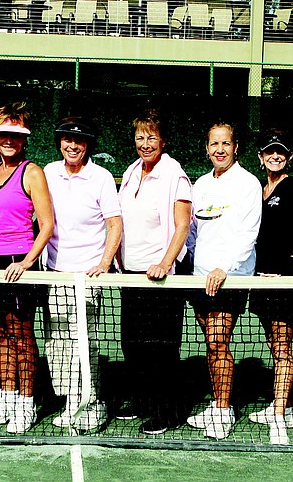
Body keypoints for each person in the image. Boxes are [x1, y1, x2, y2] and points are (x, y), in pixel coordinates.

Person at [0, 102, 54, 434]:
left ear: (24, 139)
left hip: (18, 262)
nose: (8, 140)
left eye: (15, 135)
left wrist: (26, 261)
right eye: (2, 134)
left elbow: (46, 225)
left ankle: (26, 402)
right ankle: (6, 398)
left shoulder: (32, 172)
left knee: (21, 334)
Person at [43, 117, 122, 433]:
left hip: (87, 276)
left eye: (79, 141)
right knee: (59, 342)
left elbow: (114, 224)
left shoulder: (101, 177)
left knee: (84, 342)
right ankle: (71, 401)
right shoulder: (49, 172)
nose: (72, 146)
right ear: (60, 143)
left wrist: (104, 263)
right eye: (67, 140)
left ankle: (91, 401)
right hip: (55, 274)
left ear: (88, 145)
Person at [117, 109, 192, 435]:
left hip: (162, 278)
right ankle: (143, 401)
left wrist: (164, 263)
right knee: (133, 344)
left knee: (161, 348)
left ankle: (167, 411)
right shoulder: (131, 171)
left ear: (163, 141)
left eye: (151, 137)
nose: (145, 143)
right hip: (130, 274)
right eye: (140, 137)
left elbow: (182, 225)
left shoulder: (175, 175)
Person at [184, 122, 262, 439]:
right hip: (200, 276)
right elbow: (192, 231)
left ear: (235, 147)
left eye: (225, 143)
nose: (220, 150)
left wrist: (225, 268)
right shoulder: (200, 184)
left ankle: (223, 410)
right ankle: (218, 403)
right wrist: (194, 264)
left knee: (218, 342)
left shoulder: (248, 184)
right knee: (211, 344)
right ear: (207, 148)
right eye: (214, 144)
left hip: (231, 278)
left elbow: (249, 234)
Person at [245, 129, 293, 445]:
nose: (275, 156)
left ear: (289, 157)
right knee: (275, 345)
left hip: (283, 282)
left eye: (281, 152)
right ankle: (284, 403)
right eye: (270, 152)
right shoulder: (257, 190)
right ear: (260, 157)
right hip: (259, 280)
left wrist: (288, 271)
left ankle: (280, 414)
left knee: (283, 348)